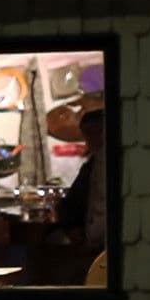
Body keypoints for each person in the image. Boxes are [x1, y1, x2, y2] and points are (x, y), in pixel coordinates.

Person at [54, 110, 106, 284]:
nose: (90, 139)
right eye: (87, 134)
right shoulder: (94, 163)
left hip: (98, 244)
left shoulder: (101, 163)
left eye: (95, 132)